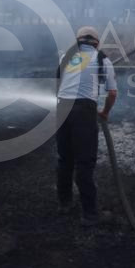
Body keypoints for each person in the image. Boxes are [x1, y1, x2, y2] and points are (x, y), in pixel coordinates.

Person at [56, 26, 117, 226]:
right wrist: (105, 112)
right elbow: (112, 93)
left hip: (62, 109)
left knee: (65, 159)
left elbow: (60, 83)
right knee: (84, 162)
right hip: (84, 112)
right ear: (96, 43)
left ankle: (64, 204)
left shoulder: (65, 57)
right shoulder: (102, 60)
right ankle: (90, 215)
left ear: (78, 41)